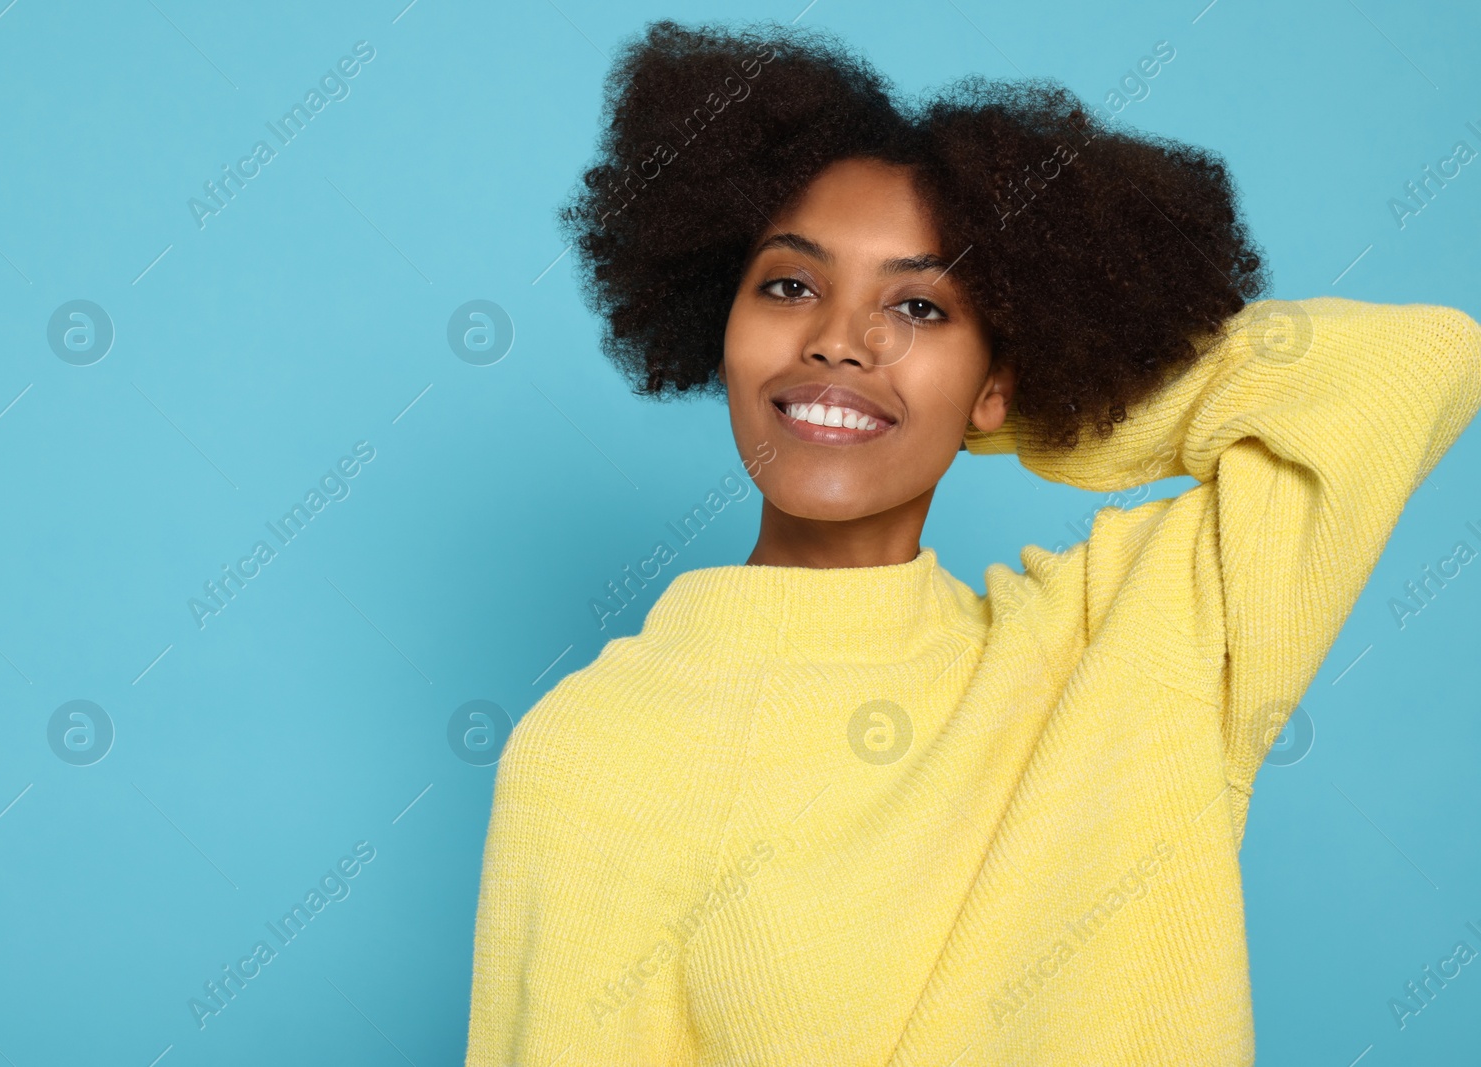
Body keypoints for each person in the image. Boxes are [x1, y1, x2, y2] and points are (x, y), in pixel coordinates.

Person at [466, 19, 1481, 1066]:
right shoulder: (592, 748)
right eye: (787, 285)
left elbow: (1411, 365)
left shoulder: (1114, 647)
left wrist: (1039, 400)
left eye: (915, 305)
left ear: (1000, 379)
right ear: (715, 326)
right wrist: (927, 393)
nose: (837, 337)